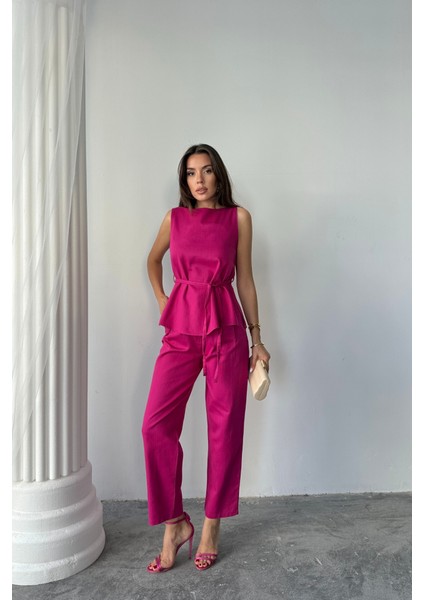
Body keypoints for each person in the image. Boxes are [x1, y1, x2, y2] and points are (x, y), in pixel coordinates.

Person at [142, 143, 271, 573]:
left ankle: (212, 526)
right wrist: (163, 299)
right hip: (181, 329)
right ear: (185, 179)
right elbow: (152, 260)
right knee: (155, 426)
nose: (199, 180)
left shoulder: (238, 218)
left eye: (207, 170)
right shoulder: (174, 219)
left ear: (219, 175)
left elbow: (245, 280)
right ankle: (175, 524)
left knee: (224, 428)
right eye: (191, 172)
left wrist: (257, 339)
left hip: (225, 329)